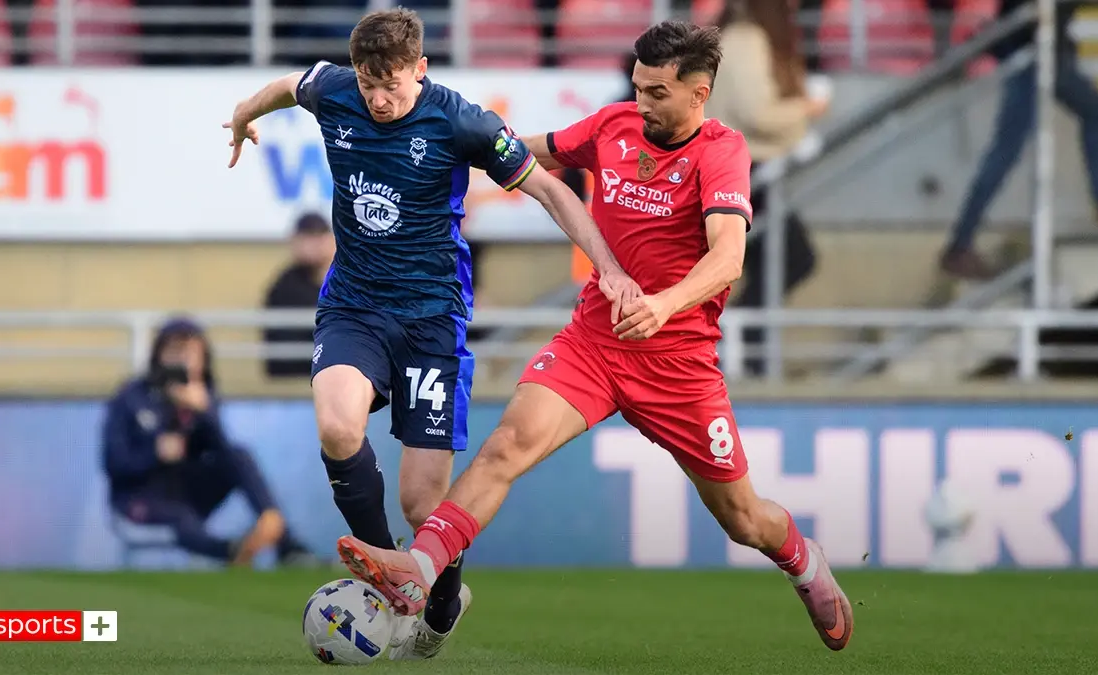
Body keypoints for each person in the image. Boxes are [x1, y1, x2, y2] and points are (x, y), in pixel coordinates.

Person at [334, 20, 855, 652]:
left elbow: (728, 259)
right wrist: (434, 141)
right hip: (594, 343)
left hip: (677, 363)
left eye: (658, 92)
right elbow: (521, 153)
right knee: (507, 446)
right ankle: (419, 570)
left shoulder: (721, 151)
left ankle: (803, 559)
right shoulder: (614, 126)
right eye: (637, 87)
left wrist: (663, 306)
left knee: (744, 519)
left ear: (699, 94)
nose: (642, 103)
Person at [221, 8, 638, 660]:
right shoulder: (335, 90)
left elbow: (553, 194)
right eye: (369, 85)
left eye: (392, 84)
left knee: (424, 504)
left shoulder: (461, 121)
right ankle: (394, 582)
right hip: (353, 305)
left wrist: (608, 266)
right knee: (337, 426)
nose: (379, 99)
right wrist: (245, 115)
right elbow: (287, 85)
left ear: (421, 68)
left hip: (431, 322)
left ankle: (441, 600)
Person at [102, 317, 318, 567]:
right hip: (141, 496)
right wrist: (154, 452)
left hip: (187, 491)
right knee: (180, 518)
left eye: (192, 353)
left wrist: (204, 413)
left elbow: (222, 452)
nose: (183, 360)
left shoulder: (203, 396)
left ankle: (282, 538)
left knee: (239, 455)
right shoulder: (132, 396)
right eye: (175, 351)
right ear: (159, 354)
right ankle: (232, 552)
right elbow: (113, 463)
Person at [941, 0, 1098, 280]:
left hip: (1043, 51)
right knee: (1005, 151)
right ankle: (959, 245)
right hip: (1030, 53)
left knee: (1093, 110)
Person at [708, 0, 822, 374]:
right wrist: (806, 110)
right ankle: (731, 346)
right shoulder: (745, 38)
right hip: (741, 173)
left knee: (768, 263)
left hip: (734, 169)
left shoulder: (733, 36)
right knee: (794, 257)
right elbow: (756, 113)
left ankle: (738, 349)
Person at [262, 212, 336, 379]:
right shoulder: (285, 286)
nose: (313, 245)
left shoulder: (344, 279)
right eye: (307, 238)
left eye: (319, 237)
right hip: (294, 378)